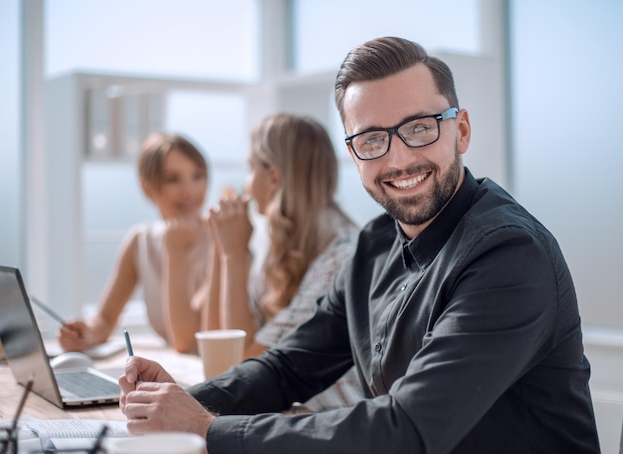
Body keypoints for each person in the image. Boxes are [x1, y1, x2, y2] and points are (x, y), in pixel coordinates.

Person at [118, 37, 600, 453]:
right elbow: (289, 367)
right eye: (372, 139)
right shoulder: (373, 246)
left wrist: (206, 429)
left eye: (419, 127)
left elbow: (406, 430)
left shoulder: (509, 254)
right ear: (353, 154)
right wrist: (187, 400)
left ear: (462, 131)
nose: (399, 158)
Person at [204, 113, 363, 411]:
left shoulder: (341, 259)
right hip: (293, 418)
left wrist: (235, 255)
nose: (246, 182)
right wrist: (220, 249)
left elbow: (241, 367)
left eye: (250, 168)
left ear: (274, 177)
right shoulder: (283, 245)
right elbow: (216, 351)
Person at [58, 132, 214, 354]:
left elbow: (190, 341)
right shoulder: (141, 240)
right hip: (178, 370)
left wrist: (175, 252)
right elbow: (105, 318)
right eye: (173, 179)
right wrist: (86, 333)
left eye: (197, 176)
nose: (189, 191)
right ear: (147, 188)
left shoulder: (222, 240)